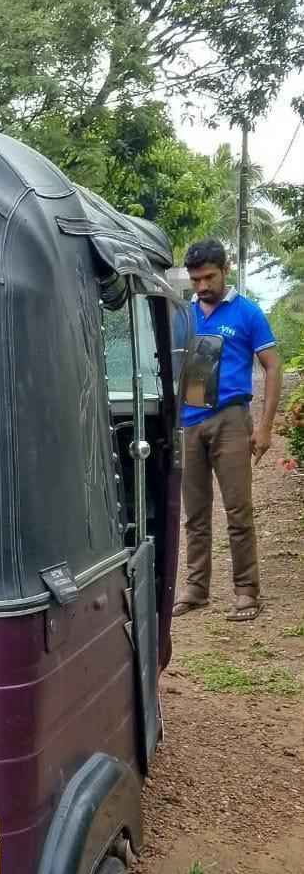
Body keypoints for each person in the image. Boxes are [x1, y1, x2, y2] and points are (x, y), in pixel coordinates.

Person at [172, 237, 282, 623]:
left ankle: (246, 591)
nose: (202, 286)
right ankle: (196, 588)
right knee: (194, 513)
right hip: (188, 421)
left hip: (232, 419)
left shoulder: (247, 313)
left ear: (225, 270)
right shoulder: (183, 316)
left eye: (208, 277)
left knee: (238, 509)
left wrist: (265, 427)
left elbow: (272, 365)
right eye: (196, 279)